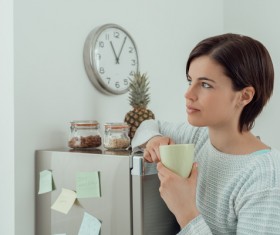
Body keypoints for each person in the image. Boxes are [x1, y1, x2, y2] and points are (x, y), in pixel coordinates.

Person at [131, 33, 280, 234]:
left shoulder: (265, 177)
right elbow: (147, 125)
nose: (188, 94)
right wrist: (155, 139)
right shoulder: (197, 137)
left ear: (244, 96)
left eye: (206, 85)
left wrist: (186, 212)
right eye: (190, 81)